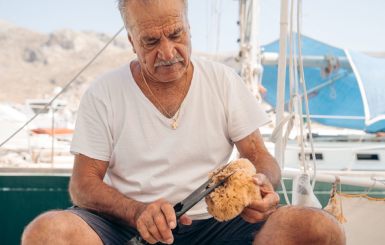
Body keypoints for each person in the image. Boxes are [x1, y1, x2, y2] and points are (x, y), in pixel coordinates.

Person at [22, 0, 345, 244]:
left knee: (319, 228)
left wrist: (261, 184)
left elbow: (259, 155)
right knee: (47, 232)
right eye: (150, 41)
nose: (167, 52)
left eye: (175, 34)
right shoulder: (105, 92)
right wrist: (136, 211)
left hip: (219, 222)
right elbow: (83, 185)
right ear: (132, 42)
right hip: (127, 223)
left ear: (188, 29)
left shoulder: (222, 80)